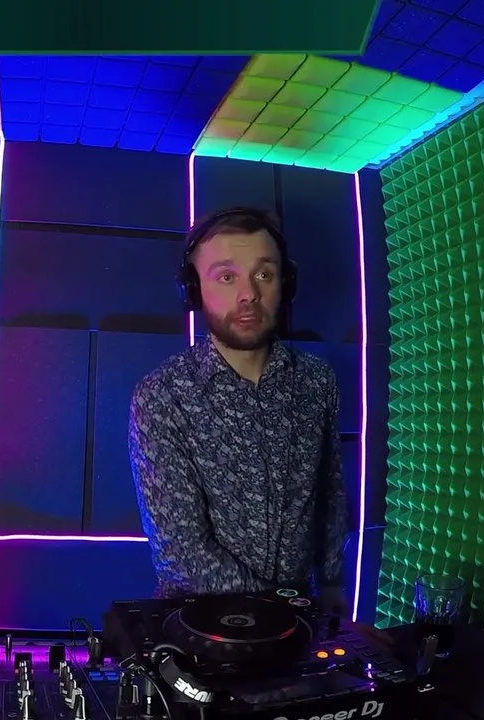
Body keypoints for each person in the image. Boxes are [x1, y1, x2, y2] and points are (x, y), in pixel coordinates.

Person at [128, 206, 351, 612]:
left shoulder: (318, 382)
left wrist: (332, 587)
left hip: (301, 622)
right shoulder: (161, 395)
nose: (249, 294)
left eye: (263, 274)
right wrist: (286, 609)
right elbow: (181, 552)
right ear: (193, 289)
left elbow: (330, 496)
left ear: (286, 284)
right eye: (227, 277)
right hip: (199, 624)